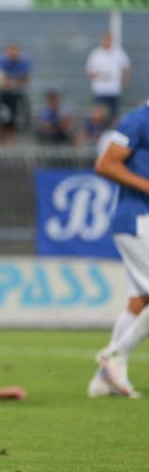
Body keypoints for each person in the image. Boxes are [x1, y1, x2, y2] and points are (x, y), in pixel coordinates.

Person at [89, 98, 149, 399]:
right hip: (137, 220)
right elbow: (105, 163)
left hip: (143, 221)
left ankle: (103, 380)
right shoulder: (139, 120)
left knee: (139, 301)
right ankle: (115, 354)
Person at [86, 32, 130, 122]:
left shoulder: (119, 52)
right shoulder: (96, 54)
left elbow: (127, 67)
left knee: (115, 115)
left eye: (109, 40)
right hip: (100, 89)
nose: (107, 42)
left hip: (114, 89)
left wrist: (123, 81)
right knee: (99, 114)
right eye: (105, 40)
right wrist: (96, 77)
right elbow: (89, 70)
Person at [0, 42, 31, 143]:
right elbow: (0, 79)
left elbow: (25, 79)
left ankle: (11, 144)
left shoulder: (24, 62)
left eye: (14, 50)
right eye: (10, 50)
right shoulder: (1, 61)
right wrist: (15, 80)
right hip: (4, 98)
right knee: (3, 121)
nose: (12, 53)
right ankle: (3, 143)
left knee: (13, 124)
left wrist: (11, 81)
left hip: (17, 98)